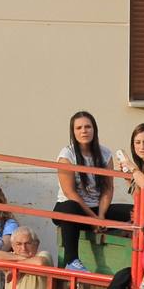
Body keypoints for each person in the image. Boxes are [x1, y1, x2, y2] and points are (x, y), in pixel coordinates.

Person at [53, 111, 127, 272]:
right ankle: (71, 261)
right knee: (69, 207)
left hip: (97, 210)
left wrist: (101, 216)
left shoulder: (105, 154)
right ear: (73, 132)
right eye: (78, 128)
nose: (84, 131)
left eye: (88, 126)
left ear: (94, 129)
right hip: (73, 209)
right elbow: (69, 192)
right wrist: (94, 220)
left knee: (135, 211)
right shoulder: (67, 155)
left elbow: (108, 188)